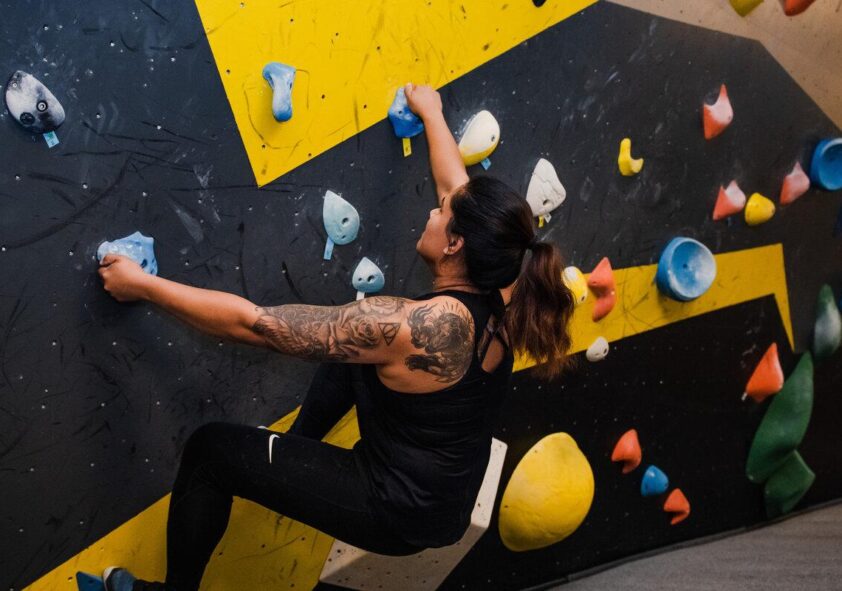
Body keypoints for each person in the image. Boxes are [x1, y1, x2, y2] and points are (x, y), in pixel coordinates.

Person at [97, 84, 576, 591]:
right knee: (354, 351)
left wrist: (141, 285)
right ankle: (293, 453)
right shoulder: (504, 276)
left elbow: (255, 324)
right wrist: (432, 112)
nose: (433, 211)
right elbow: (454, 187)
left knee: (211, 451)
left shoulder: (412, 328)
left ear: (455, 244)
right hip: (444, 494)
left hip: (395, 509)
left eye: (440, 214)